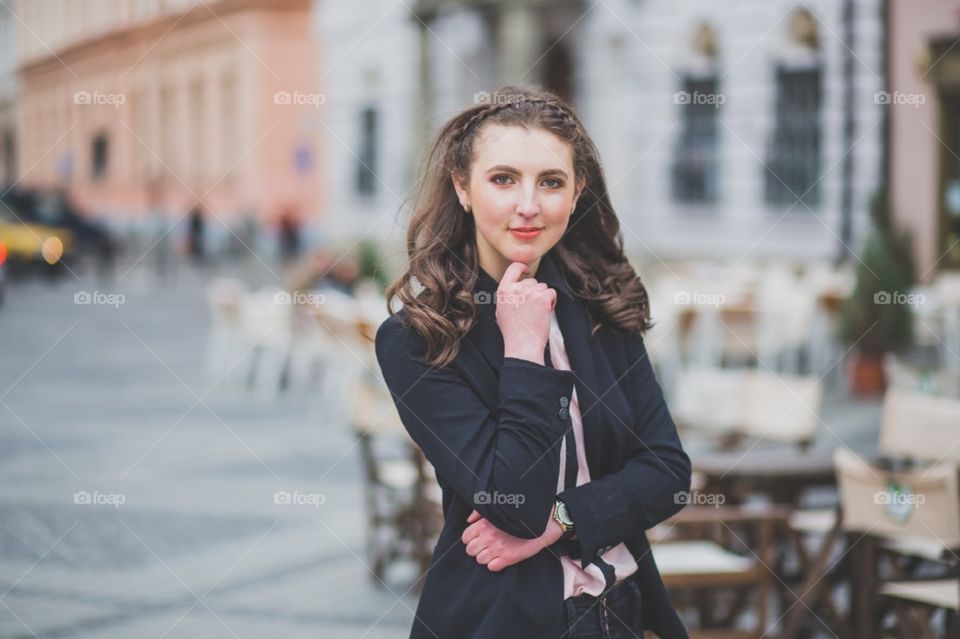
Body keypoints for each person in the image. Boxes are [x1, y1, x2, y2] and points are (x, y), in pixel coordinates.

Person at [375, 85, 691, 639]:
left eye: (551, 182)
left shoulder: (602, 306)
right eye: (503, 179)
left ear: (577, 191)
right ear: (462, 187)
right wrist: (524, 349)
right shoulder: (418, 340)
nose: (529, 205)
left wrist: (561, 521)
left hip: (621, 613)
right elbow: (514, 503)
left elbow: (668, 472)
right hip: (502, 618)